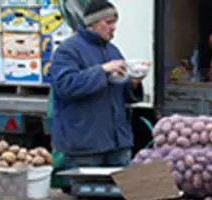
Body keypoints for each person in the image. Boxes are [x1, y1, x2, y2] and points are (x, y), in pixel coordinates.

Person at [49, 0, 146, 169]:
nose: (113, 27)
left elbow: (123, 96)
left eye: (115, 22)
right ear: (92, 24)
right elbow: (66, 86)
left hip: (118, 145)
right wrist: (102, 70)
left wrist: (133, 83)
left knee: (121, 194)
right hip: (85, 147)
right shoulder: (68, 50)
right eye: (108, 22)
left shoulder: (113, 50)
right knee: (88, 194)